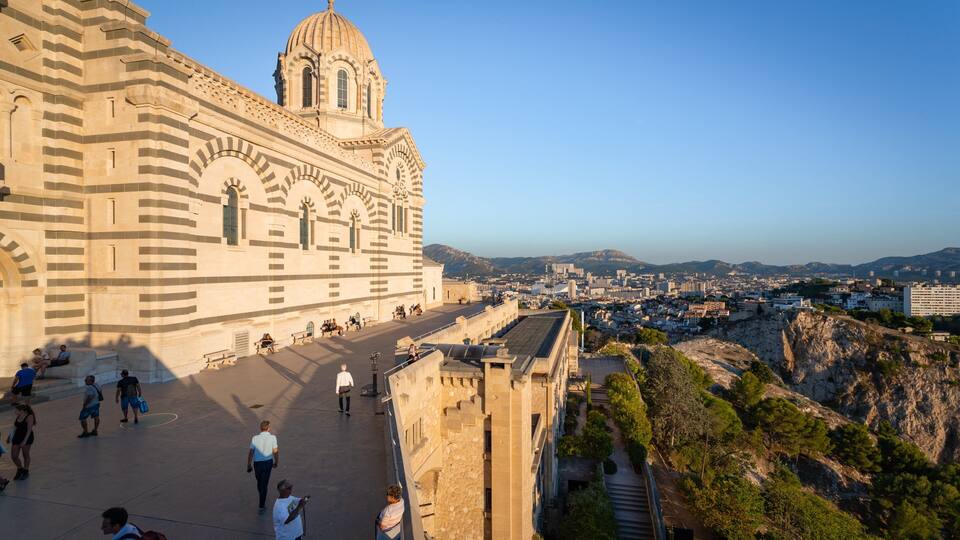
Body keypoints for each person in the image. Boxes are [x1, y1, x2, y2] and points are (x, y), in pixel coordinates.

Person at [247, 420, 279, 513]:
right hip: (268, 463)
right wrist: (276, 462)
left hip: (257, 464)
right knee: (263, 484)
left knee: (261, 482)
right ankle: (262, 498)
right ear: (268, 428)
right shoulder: (273, 437)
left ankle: (261, 503)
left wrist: (248, 464)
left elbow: (251, 452)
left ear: (261, 428)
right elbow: (275, 451)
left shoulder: (255, 438)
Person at [10, 403, 36, 480]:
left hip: (26, 437)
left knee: (25, 455)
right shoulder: (18, 416)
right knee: (14, 456)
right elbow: (15, 427)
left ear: (21, 411)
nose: (14, 412)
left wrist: (25, 441)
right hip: (17, 437)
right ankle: (20, 468)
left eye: (16, 410)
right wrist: (10, 436)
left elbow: (29, 430)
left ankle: (26, 470)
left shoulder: (29, 416)